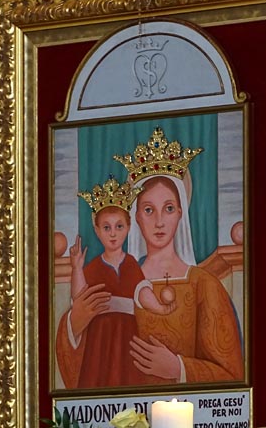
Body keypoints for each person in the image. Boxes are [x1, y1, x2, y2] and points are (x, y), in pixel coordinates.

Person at [56, 127, 244, 386]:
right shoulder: (117, 280)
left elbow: (233, 375)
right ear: (135, 217)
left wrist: (178, 368)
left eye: (168, 208)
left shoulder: (203, 285)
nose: (159, 221)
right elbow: (84, 366)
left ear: (181, 213)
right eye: (148, 210)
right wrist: (75, 323)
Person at [62, 176, 175, 388]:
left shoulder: (131, 263)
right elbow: (79, 298)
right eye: (107, 228)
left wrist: (159, 308)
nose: (113, 234)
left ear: (128, 227)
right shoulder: (93, 267)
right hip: (100, 336)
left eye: (119, 226)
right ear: (97, 230)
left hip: (127, 335)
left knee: (127, 378)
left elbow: (141, 291)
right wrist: (76, 268)